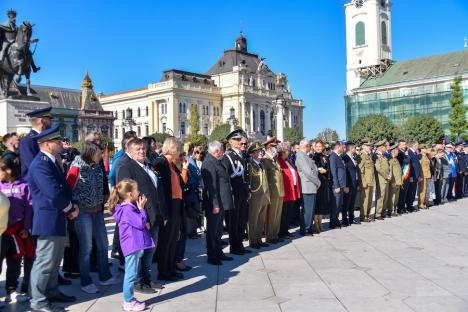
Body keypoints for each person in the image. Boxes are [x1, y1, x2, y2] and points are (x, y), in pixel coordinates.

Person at [27, 125, 78, 312]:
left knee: (55, 260)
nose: (60, 143)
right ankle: (38, 301)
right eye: (57, 141)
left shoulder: (51, 161)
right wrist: (69, 208)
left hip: (57, 217)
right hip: (48, 219)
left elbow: (64, 187)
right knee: (45, 261)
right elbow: (52, 193)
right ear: (47, 144)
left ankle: (52, 290)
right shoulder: (40, 163)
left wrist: (74, 202)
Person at [66, 142, 119, 293]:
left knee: (103, 245)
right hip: (83, 213)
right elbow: (67, 188)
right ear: (90, 153)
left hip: (97, 212)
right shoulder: (77, 167)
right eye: (98, 153)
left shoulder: (97, 167)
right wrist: (74, 205)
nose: (101, 155)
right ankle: (86, 281)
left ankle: (105, 276)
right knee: (86, 247)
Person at [117, 138, 164, 293]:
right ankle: (137, 282)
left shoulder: (147, 165)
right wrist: (141, 218)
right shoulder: (126, 167)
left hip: (154, 213)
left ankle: (147, 278)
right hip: (141, 216)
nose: (142, 151)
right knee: (140, 251)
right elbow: (127, 195)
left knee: (151, 249)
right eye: (137, 149)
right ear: (129, 151)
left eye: (143, 149)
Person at [109, 179, 155, 312]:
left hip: (132, 244)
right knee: (130, 274)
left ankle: (129, 299)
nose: (139, 192)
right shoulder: (128, 209)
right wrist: (141, 209)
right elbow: (140, 223)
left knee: (131, 273)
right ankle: (128, 302)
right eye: (136, 190)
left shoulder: (126, 207)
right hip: (132, 245)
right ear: (129, 194)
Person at [154, 137, 188, 281]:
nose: (180, 152)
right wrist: (164, 213)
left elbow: (181, 183)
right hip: (168, 206)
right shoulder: (160, 162)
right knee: (165, 240)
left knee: (173, 239)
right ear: (173, 148)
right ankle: (164, 271)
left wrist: (184, 168)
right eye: (178, 148)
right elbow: (160, 191)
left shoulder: (172, 165)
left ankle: (170, 268)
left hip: (176, 205)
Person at [0, 157, 33, 303]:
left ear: (8, 171)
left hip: (17, 232)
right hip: (1, 232)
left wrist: (26, 227)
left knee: (14, 262)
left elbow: (29, 208)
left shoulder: (24, 186)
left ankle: (11, 290)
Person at [201, 141, 234, 265]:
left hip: (221, 201)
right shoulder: (209, 163)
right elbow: (211, 186)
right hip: (215, 203)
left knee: (219, 230)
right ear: (216, 151)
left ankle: (219, 252)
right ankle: (212, 255)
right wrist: (215, 203)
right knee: (212, 230)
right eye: (221, 150)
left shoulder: (216, 160)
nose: (223, 153)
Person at [223, 130, 251, 255]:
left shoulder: (242, 155)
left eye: (242, 140)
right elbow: (226, 177)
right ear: (231, 142)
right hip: (234, 192)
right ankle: (234, 246)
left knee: (241, 219)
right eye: (238, 140)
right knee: (234, 221)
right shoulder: (228, 156)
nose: (241, 142)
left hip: (242, 192)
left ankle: (239, 244)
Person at [261, 137, 284, 243]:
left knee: (278, 214)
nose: (276, 148)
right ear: (269, 147)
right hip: (272, 192)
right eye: (274, 146)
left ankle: (275, 234)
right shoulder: (265, 160)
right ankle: (270, 236)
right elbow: (265, 177)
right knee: (271, 215)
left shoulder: (274, 160)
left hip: (279, 191)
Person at [295, 139, 320, 235]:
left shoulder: (305, 155)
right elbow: (308, 172)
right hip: (307, 186)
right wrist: (318, 182)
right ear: (306, 146)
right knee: (307, 210)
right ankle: (305, 229)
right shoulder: (301, 156)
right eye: (310, 146)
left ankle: (308, 227)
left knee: (310, 209)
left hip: (310, 185)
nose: (311, 148)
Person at [19, 107, 53, 178]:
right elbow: (33, 166)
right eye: (50, 119)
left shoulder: (43, 138)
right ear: (43, 121)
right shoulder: (28, 141)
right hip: (36, 184)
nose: (51, 122)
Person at [277, 142, 300, 239]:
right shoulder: (278, 161)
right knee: (284, 212)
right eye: (288, 150)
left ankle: (285, 230)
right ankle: (281, 232)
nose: (289, 152)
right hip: (285, 190)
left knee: (288, 211)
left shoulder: (288, 160)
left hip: (291, 189)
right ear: (282, 151)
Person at [312, 140, 330, 233]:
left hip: (324, 182)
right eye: (317, 146)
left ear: (323, 147)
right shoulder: (313, 157)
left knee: (322, 204)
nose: (319, 148)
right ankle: (316, 224)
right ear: (315, 147)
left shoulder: (325, 157)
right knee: (317, 204)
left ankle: (320, 223)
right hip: (317, 183)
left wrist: (326, 171)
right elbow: (312, 169)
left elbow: (328, 169)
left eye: (320, 146)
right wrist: (319, 169)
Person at [329, 141, 347, 228]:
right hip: (337, 185)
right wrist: (336, 186)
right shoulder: (333, 156)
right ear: (338, 147)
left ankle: (336, 221)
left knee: (339, 205)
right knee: (335, 205)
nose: (343, 148)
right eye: (342, 146)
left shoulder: (338, 156)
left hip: (341, 185)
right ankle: (333, 223)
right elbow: (333, 172)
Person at [357, 141, 375, 222]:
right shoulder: (361, 156)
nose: (370, 147)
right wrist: (363, 182)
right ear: (363, 147)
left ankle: (367, 214)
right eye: (368, 146)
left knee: (370, 199)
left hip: (370, 181)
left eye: (370, 146)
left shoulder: (369, 156)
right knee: (365, 200)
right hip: (365, 182)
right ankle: (363, 216)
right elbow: (360, 171)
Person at [342, 142, 358, 226]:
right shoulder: (344, 158)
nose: (355, 149)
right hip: (349, 184)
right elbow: (345, 173)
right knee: (346, 203)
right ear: (351, 148)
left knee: (352, 202)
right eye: (354, 148)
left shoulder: (353, 157)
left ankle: (351, 218)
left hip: (354, 183)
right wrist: (346, 185)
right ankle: (344, 220)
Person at [374, 140, 391, 220]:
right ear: (381, 147)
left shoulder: (384, 156)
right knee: (380, 196)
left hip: (386, 179)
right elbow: (378, 168)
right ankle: (378, 214)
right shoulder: (376, 156)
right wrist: (386, 176)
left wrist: (389, 174)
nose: (386, 148)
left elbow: (387, 167)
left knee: (385, 196)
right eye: (385, 146)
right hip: (381, 179)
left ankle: (383, 212)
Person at [386, 143, 402, 216]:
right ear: (394, 151)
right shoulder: (390, 159)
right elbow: (390, 171)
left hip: (398, 181)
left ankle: (394, 209)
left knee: (396, 197)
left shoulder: (395, 159)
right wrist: (392, 181)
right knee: (392, 197)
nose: (398, 152)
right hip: (394, 181)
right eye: (397, 150)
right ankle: (390, 210)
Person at [406, 141, 422, 212]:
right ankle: (409, 206)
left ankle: (411, 204)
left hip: (416, 175)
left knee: (413, 191)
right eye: (417, 145)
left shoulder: (415, 153)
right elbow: (410, 166)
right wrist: (411, 176)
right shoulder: (409, 152)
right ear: (413, 145)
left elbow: (417, 165)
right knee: (410, 192)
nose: (418, 146)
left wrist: (418, 175)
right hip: (412, 176)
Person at [418, 144, 431, 209]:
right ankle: (421, 204)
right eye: (424, 149)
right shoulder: (420, 156)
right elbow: (419, 167)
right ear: (421, 149)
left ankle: (425, 202)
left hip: (427, 174)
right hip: (423, 175)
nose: (426, 150)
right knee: (422, 190)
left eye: (426, 149)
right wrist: (420, 176)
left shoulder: (426, 156)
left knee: (426, 190)